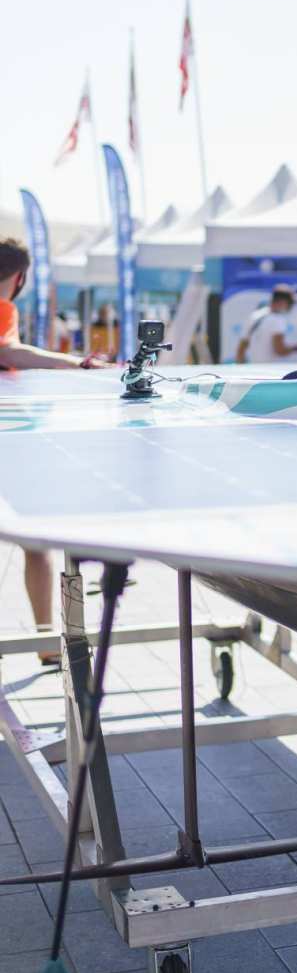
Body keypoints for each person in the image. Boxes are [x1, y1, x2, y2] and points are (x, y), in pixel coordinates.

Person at [0, 238, 108, 665]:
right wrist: (76, 363)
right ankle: (46, 640)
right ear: (21, 276)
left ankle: (46, 641)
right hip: (9, 437)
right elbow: (9, 352)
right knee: (36, 542)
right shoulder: (4, 308)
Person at [236, 284, 297, 365]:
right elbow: (280, 350)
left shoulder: (255, 315)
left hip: (254, 371)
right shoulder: (278, 319)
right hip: (271, 373)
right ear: (282, 302)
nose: (291, 306)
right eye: (291, 303)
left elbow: (241, 349)